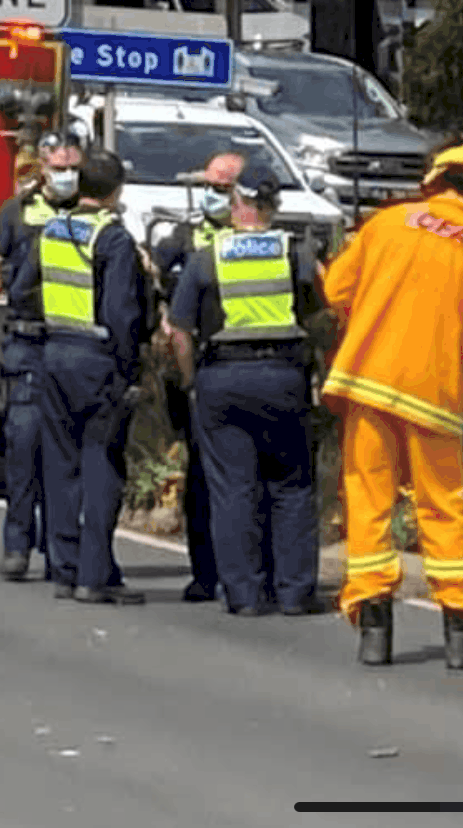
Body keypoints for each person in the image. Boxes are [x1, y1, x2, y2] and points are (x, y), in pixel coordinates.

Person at [320, 143, 463, 668]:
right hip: (438, 395)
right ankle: (460, 632)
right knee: (443, 505)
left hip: (370, 380)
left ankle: (374, 626)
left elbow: (336, 289)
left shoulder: (387, 224)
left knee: (369, 500)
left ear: (434, 181)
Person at [166, 181, 324, 617]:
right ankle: (294, 592)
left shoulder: (207, 257)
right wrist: (321, 373)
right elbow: (321, 320)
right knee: (292, 486)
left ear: (236, 207)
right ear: (273, 209)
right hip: (284, 377)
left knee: (233, 490)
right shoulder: (295, 255)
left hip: (224, 377)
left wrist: (191, 381)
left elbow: (180, 331)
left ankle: (244, 594)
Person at [0, 132, 85, 585]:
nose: (66, 175)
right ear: (42, 167)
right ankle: (18, 544)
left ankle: (61, 546)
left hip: (77, 344)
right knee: (23, 444)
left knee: (67, 452)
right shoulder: (17, 213)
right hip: (28, 342)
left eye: (73, 167)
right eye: (59, 167)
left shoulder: (93, 214)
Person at [28, 149, 152, 605]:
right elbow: (122, 312)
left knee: (61, 465)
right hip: (98, 358)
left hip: (56, 350)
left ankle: (63, 569)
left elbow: (26, 286)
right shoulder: (113, 239)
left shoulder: (54, 229)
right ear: (117, 191)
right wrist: (128, 370)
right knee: (102, 467)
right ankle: (94, 576)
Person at [148, 151, 249, 603]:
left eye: (224, 189)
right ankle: (205, 572)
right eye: (210, 185)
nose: (214, 195)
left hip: (243, 364)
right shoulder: (184, 237)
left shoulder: (256, 239)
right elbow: (152, 273)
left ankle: (244, 571)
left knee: (245, 476)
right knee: (203, 475)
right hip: (198, 367)